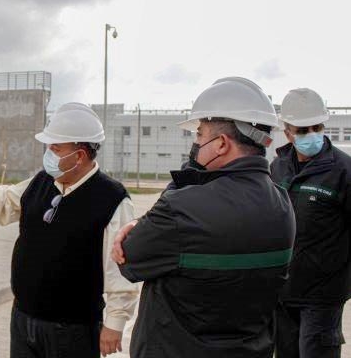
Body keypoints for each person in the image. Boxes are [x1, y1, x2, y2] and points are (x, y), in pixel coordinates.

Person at [111, 77, 296, 357]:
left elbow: (129, 258)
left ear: (221, 143)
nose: (195, 143)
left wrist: (187, 177)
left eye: (199, 135)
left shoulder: (182, 206)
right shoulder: (283, 205)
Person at [0, 102, 138, 358]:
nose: (48, 154)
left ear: (79, 155)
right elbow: (8, 199)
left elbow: (119, 268)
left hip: (73, 329)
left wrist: (114, 324)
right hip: (24, 318)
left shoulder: (112, 199)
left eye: (55, 148)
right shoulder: (42, 180)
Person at [271, 88, 351, 358]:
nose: (311, 134)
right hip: (283, 291)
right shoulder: (278, 168)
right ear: (288, 133)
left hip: (323, 296)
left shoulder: (344, 171)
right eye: (303, 130)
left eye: (317, 127)